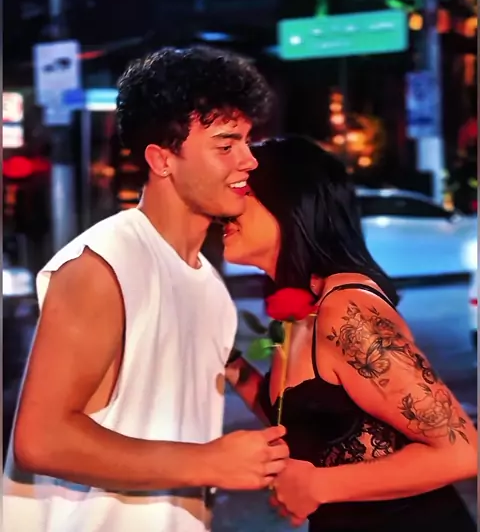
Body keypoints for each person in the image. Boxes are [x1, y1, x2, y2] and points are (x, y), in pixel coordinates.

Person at [3, 46, 289, 532]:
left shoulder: (207, 282)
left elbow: (225, 377)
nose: (248, 160)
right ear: (162, 159)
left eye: (246, 141)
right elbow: (41, 439)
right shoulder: (104, 265)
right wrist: (209, 462)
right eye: (225, 145)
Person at [224, 135, 477, 532]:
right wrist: (229, 363)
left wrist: (317, 486)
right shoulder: (298, 305)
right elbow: (304, 417)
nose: (225, 208)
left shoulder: (347, 311)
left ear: (289, 202)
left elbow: (461, 452)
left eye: (243, 192)